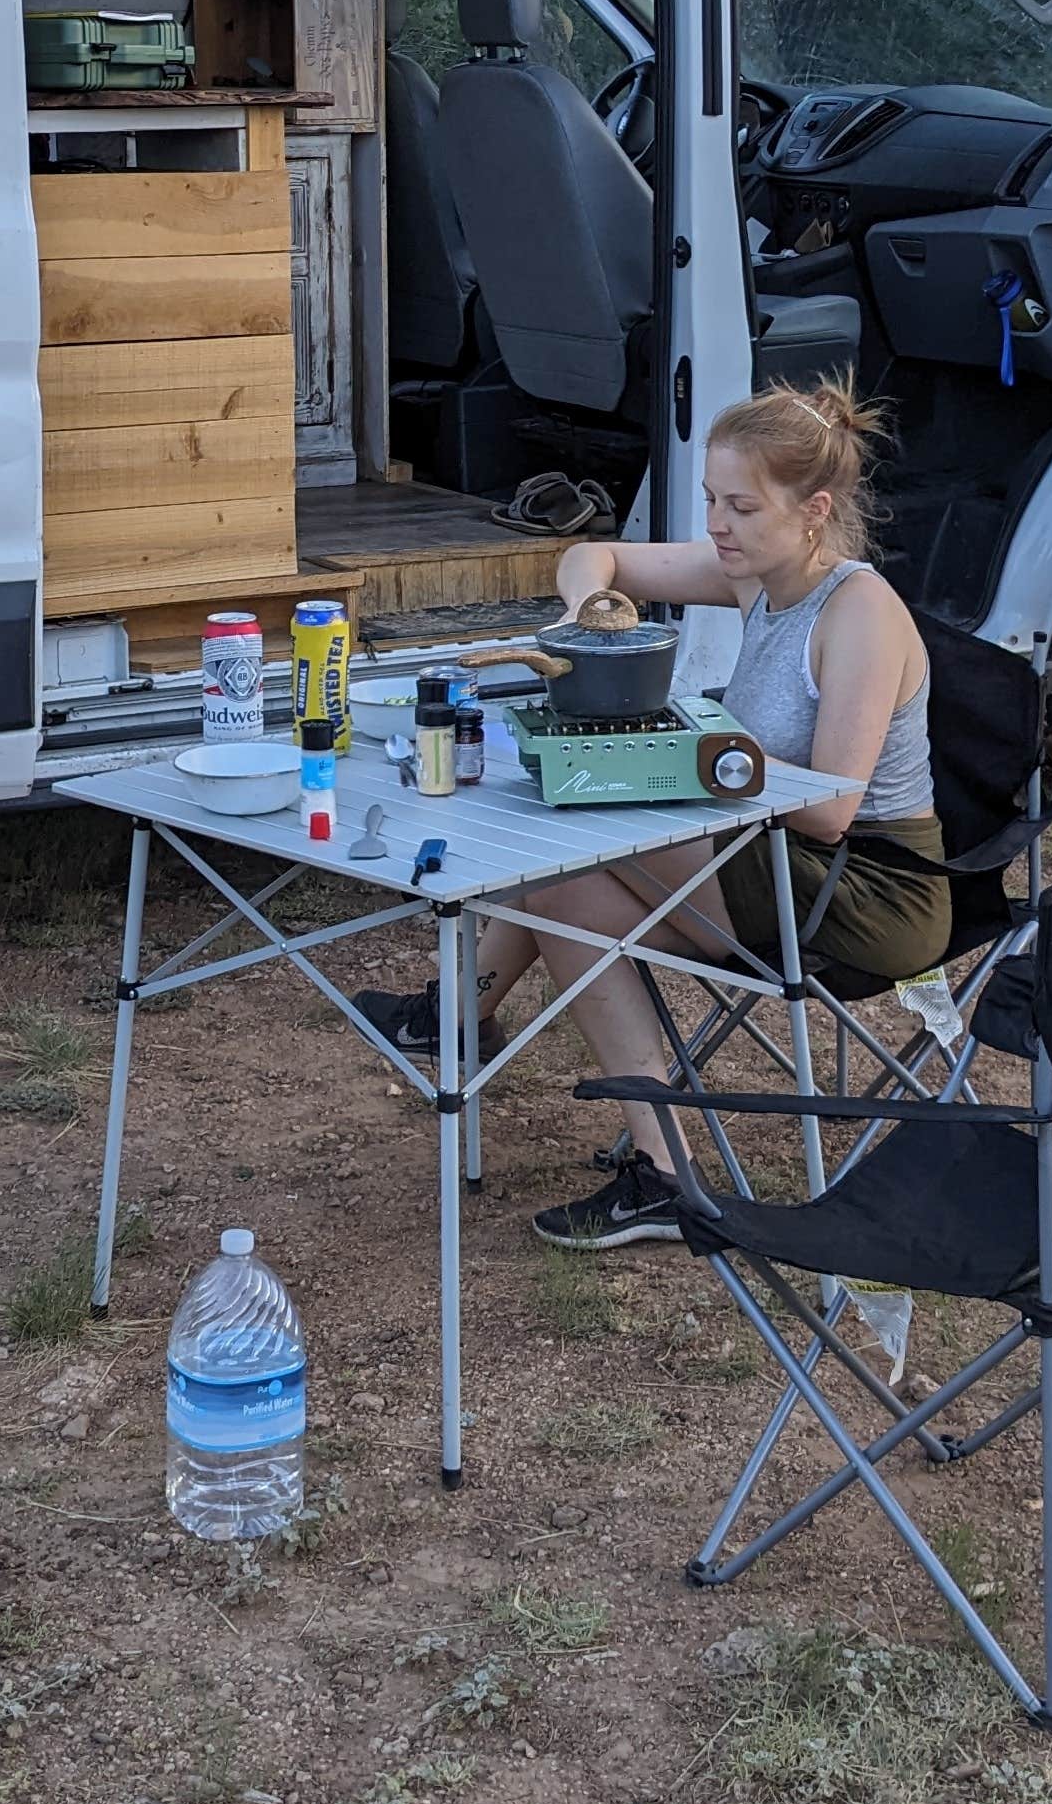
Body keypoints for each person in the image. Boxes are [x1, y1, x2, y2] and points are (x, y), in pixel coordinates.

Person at [397, 378, 947, 1253]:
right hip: (768, 853)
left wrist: (675, 758)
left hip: (865, 892)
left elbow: (834, 808)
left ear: (814, 511)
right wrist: (587, 619)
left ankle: (458, 1013)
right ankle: (660, 1174)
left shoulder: (859, 612)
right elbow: (596, 557)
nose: (718, 526)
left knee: (583, 817)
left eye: (739, 506)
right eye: (709, 502)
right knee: (566, 895)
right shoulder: (758, 575)